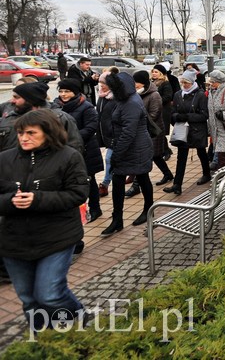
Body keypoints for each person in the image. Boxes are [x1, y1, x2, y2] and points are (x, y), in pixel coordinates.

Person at [0, 109, 89, 331]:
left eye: (31, 132)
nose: (23, 138)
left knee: (49, 294)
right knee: (29, 298)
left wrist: (37, 199)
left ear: (48, 133)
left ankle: (77, 319)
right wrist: (11, 200)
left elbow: (78, 193)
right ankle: (43, 337)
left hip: (57, 237)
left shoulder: (68, 156)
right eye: (20, 132)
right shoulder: (4, 159)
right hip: (14, 241)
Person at [101, 72, 154, 235]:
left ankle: (148, 211)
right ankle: (117, 219)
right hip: (129, 146)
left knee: (142, 177)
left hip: (135, 147)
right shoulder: (125, 99)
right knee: (120, 181)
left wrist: (116, 154)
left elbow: (128, 133)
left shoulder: (131, 102)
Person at [53, 79, 104, 223]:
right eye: (61, 91)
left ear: (75, 92)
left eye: (67, 91)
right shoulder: (56, 106)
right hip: (63, 150)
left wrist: (68, 138)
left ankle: (95, 208)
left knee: (89, 180)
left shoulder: (86, 106)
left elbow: (91, 127)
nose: (63, 94)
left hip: (85, 149)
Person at [166, 69, 212, 195]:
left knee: (201, 152)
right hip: (183, 130)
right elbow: (173, 112)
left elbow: (204, 115)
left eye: (186, 82)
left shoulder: (200, 95)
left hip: (197, 130)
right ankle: (177, 184)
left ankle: (206, 174)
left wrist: (187, 117)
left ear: (192, 82)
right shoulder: (178, 95)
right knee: (181, 157)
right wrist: (176, 117)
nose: (184, 85)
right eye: (182, 82)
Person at [134, 70, 173, 187]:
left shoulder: (154, 95)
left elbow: (154, 114)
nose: (134, 84)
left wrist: (139, 123)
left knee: (145, 157)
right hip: (144, 130)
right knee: (156, 156)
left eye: (136, 82)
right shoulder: (138, 93)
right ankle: (168, 174)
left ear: (142, 83)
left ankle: (136, 185)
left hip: (153, 130)